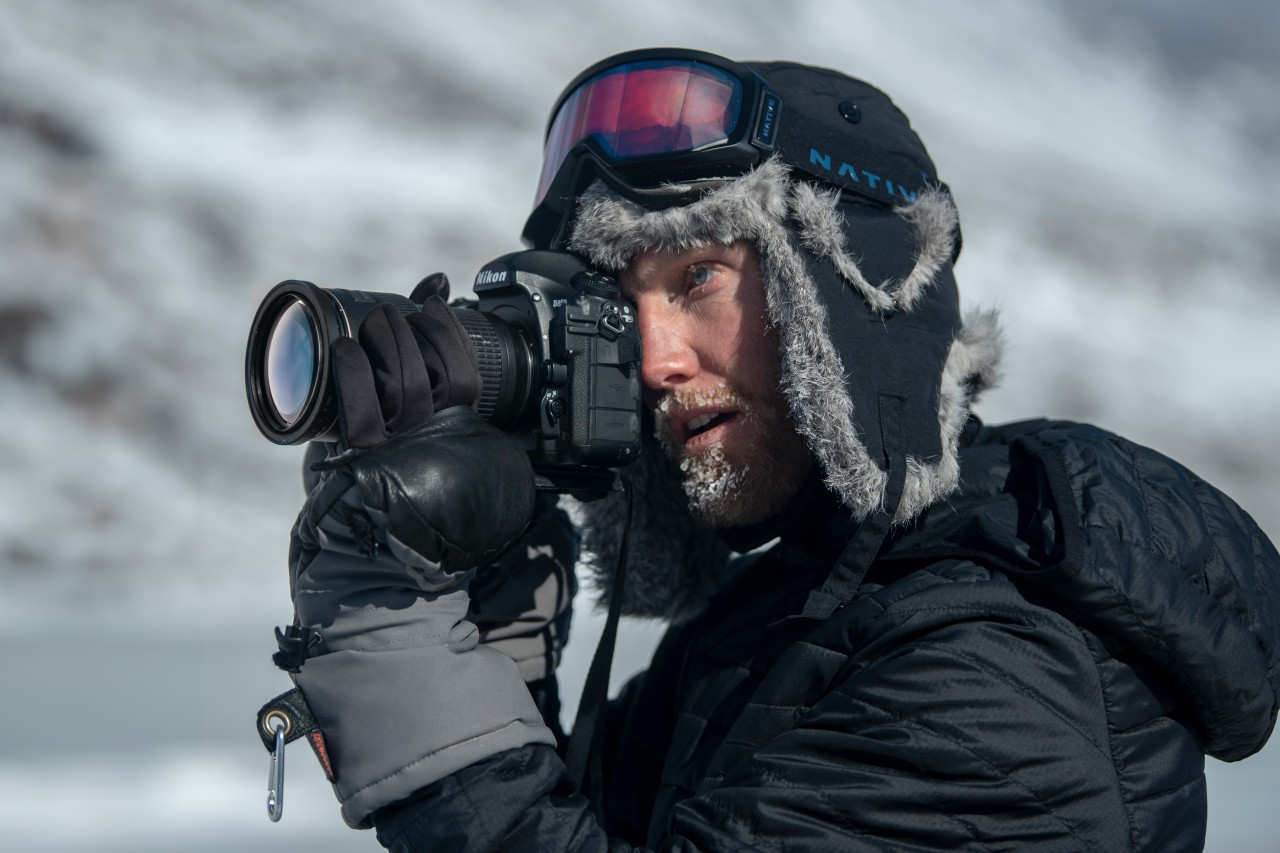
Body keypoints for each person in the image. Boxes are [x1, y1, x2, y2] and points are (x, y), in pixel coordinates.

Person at [263, 49, 1280, 851]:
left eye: (697, 277)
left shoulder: (994, 665)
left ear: (843, 295)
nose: (654, 358)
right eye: (623, 305)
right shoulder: (784, 613)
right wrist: (485, 602)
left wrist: (386, 628)